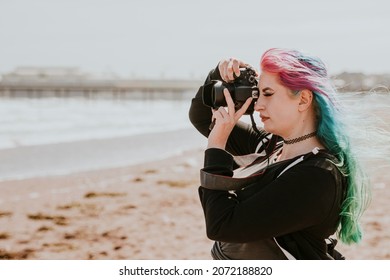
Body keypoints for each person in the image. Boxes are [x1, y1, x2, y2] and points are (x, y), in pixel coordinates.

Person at [188, 48, 370, 260]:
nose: (257, 105)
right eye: (258, 93)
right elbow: (201, 117)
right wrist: (218, 76)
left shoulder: (317, 175)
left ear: (303, 100)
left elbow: (222, 225)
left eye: (268, 94)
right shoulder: (271, 147)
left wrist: (216, 145)